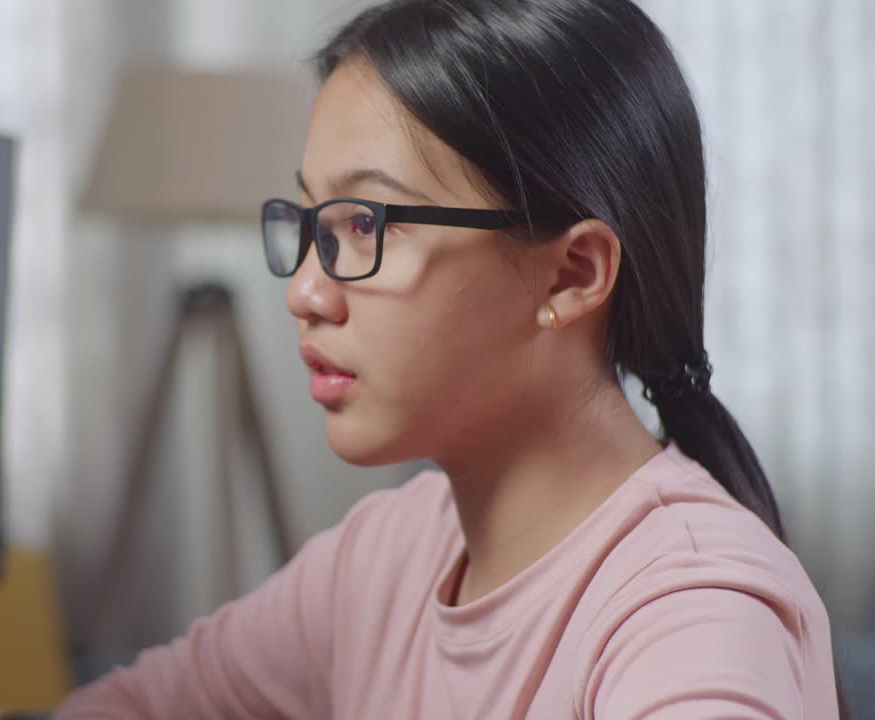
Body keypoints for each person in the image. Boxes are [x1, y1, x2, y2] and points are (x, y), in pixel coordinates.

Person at [57, 0, 845, 716]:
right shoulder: (386, 554)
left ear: (571, 276)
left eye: (367, 224)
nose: (305, 292)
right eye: (314, 224)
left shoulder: (690, 611)